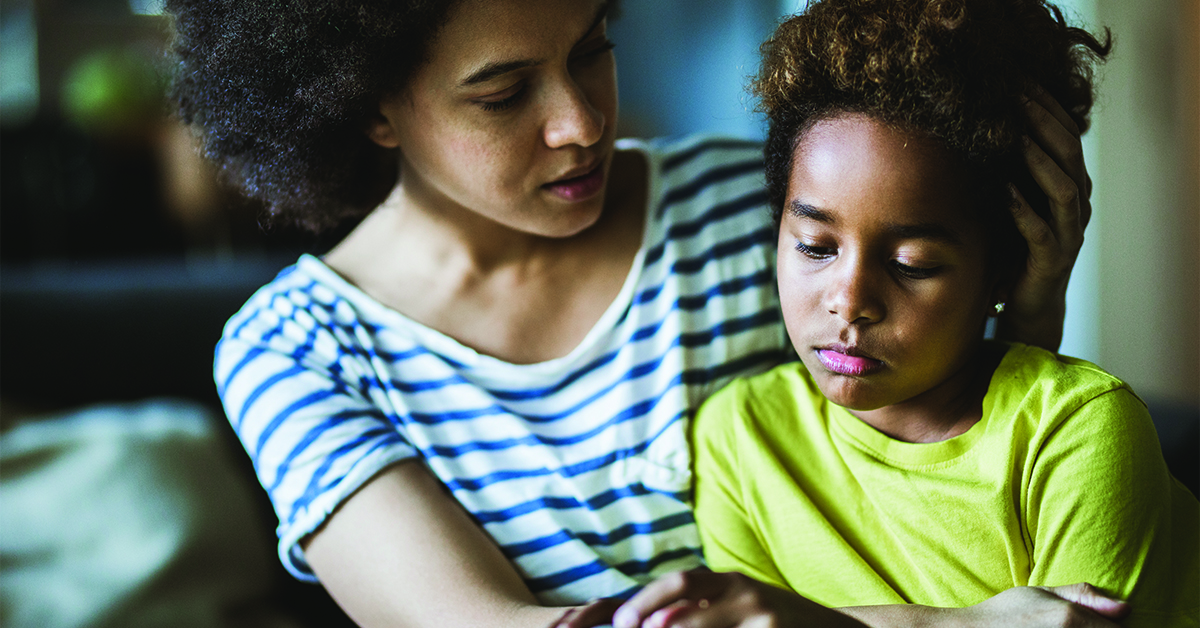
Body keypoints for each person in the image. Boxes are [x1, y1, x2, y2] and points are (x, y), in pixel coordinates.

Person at [166, 0, 1126, 626]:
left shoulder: (747, 211)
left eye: (592, 51)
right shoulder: (294, 350)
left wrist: (1025, 311)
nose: (582, 120)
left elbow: (931, 455)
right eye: (503, 96)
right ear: (370, 109)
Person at [597, 1, 1200, 627]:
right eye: (815, 247)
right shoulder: (739, 440)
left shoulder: (1078, 432)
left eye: (912, 263)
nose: (849, 299)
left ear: (1004, 262)